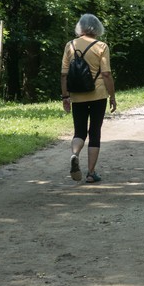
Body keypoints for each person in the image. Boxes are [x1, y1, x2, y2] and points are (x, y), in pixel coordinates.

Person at [61, 13, 117, 183]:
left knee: (79, 131)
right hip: (98, 94)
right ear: (97, 28)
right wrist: (112, 96)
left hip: (77, 95)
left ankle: (74, 154)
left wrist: (65, 96)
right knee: (94, 132)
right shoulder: (101, 46)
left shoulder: (70, 45)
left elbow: (64, 75)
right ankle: (91, 173)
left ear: (80, 27)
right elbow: (106, 74)